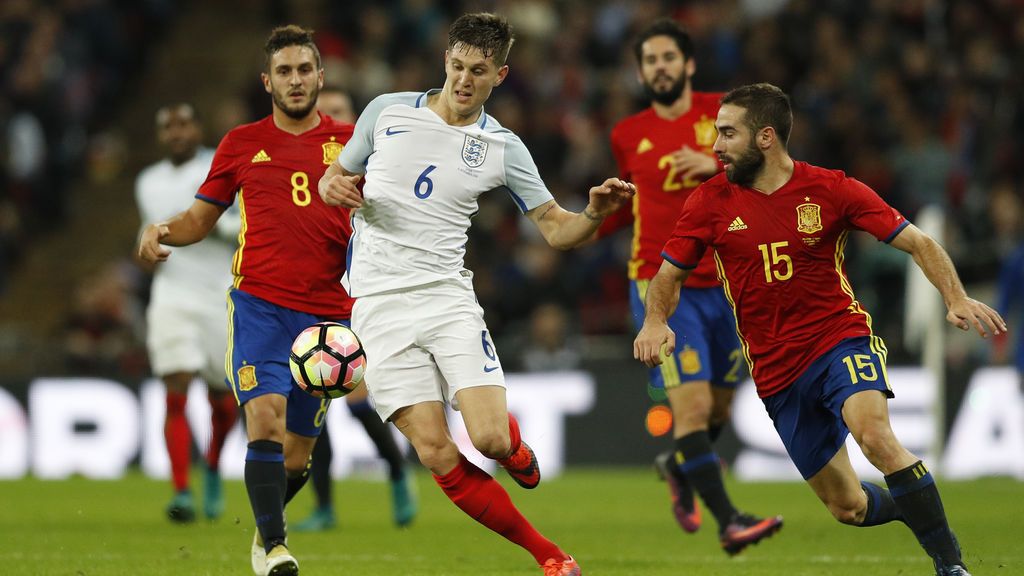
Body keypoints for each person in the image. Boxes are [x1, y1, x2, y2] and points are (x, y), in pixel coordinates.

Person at [634, 83, 1005, 576]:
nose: (716, 146)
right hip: (775, 372)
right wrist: (656, 320)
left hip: (838, 339)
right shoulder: (708, 202)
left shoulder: (831, 189)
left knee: (875, 436)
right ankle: (923, 514)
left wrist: (954, 297)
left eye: (727, 133)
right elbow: (667, 275)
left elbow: (919, 242)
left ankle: (950, 565)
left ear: (766, 137)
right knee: (848, 508)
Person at [318, 13, 634, 576]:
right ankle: (550, 555)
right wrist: (333, 184)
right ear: (445, 61)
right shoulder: (384, 111)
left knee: (487, 438)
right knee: (436, 451)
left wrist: (594, 215)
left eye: (479, 71)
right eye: (458, 66)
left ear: (500, 75)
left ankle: (511, 448)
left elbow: (557, 230)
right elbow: (331, 180)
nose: (464, 80)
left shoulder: (502, 147)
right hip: (376, 306)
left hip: (445, 297)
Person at [139, 25, 356, 576]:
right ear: (267, 82)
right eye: (284, 71)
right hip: (258, 303)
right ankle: (278, 548)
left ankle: (263, 537)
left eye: (305, 70)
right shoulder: (240, 144)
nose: (296, 80)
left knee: (296, 454)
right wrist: (160, 229)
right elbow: (198, 220)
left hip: (328, 313)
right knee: (264, 415)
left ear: (320, 76)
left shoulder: (355, 144)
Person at [601, 19, 782, 551]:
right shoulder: (627, 134)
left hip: (728, 281)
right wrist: (589, 219)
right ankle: (729, 521)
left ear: (689, 64)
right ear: (641, 72)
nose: (660, 67)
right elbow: (628, 203)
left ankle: (680, 467)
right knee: (695, 409)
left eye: (668, 58)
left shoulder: (723, 118)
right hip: (663, 284)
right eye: (650, 60)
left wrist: (714, 162)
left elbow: (774, 169)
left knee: (720, 411)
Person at [293, 84, 418, 532]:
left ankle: (400, 474)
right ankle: (324, 506)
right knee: (315, 397)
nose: (333, 123)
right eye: (324, 114)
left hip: (364, 294)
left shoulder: (379, 169)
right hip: (313, 295)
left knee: (361, 399)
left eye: (341, 112)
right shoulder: (306, 177)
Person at [134, 103, 239, 523]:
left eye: (184, 124)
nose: (177, 133)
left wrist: (201, 225)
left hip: (220, 293)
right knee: (175, 388)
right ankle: (181, 491)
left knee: (222, 399)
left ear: (197, 127)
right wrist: (147, 249)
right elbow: (146, 233)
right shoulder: (147, 182)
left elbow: (241, 225)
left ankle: (212, 466)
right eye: (168, 126)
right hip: (172, 293)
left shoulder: (222, 165)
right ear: (160, 135)